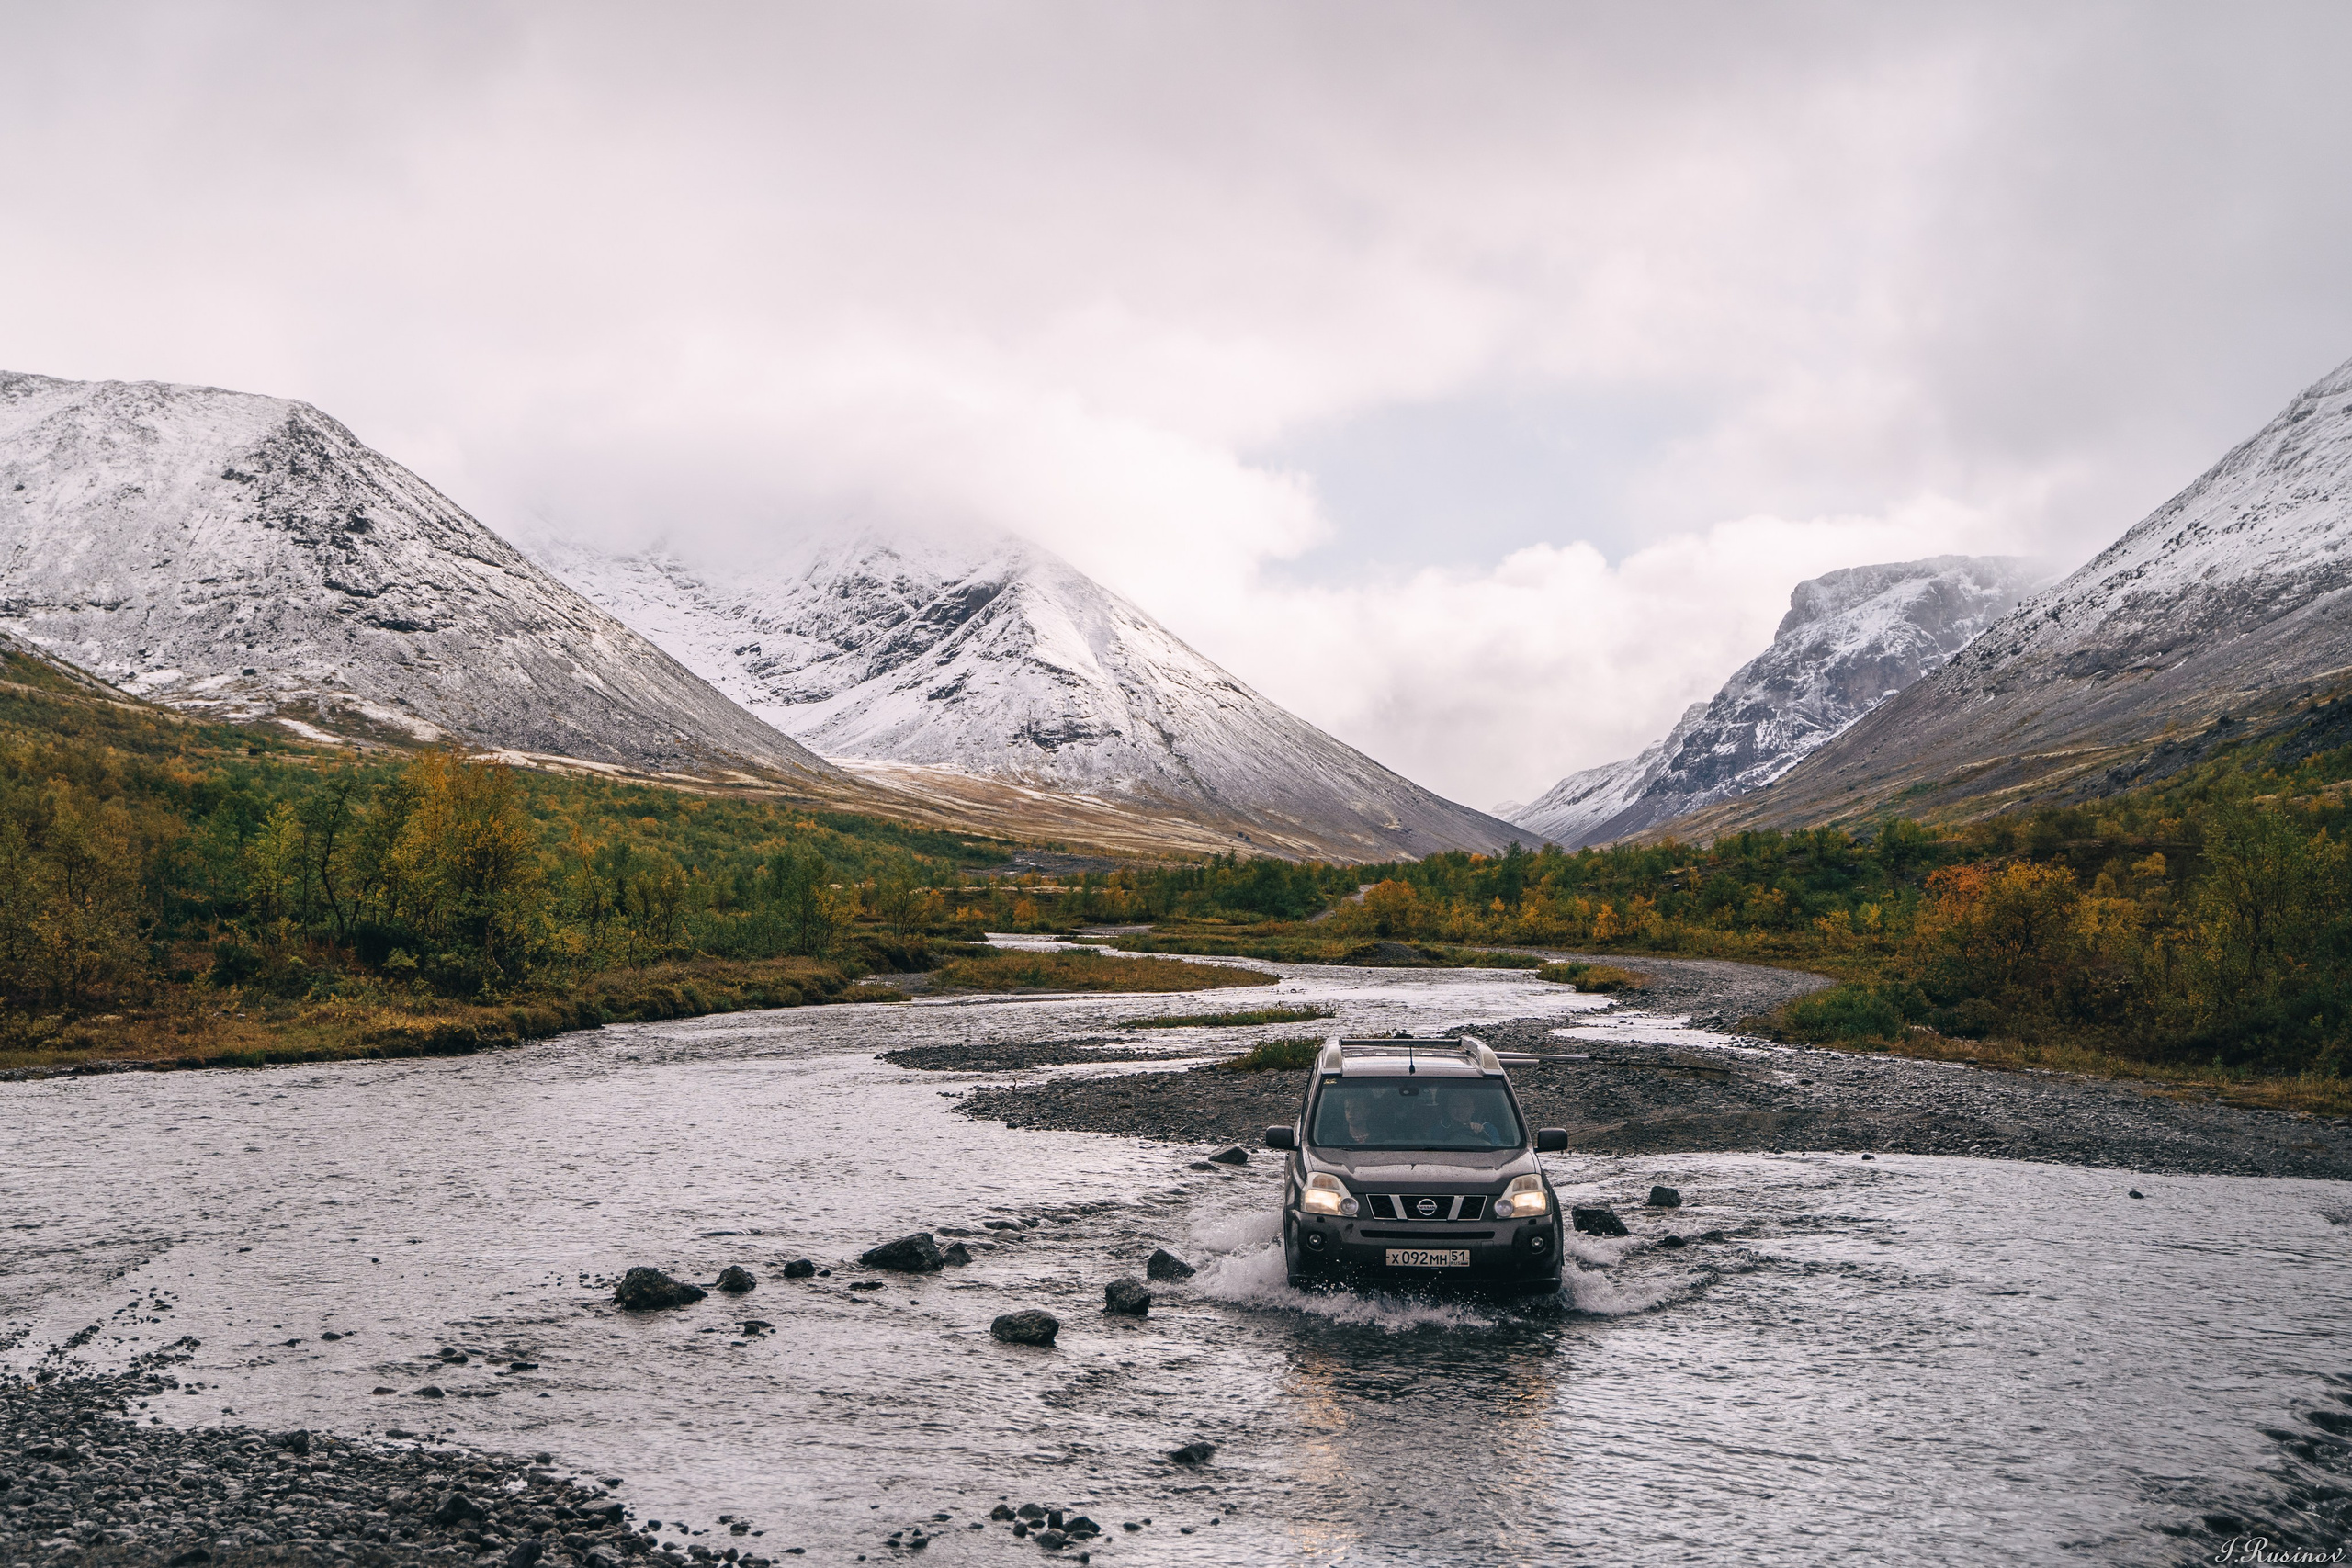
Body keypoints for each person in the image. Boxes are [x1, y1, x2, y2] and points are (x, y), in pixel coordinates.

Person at [1437, 1087, 1505, 1146]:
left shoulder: (1487, 1128)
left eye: (1466, 1106)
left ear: (1473, 1109)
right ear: (1448, 1109)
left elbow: (1498, 1149)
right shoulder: (1439, 1128)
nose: (1461, 1110)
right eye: (1455, 1106)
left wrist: (1481, 1133)